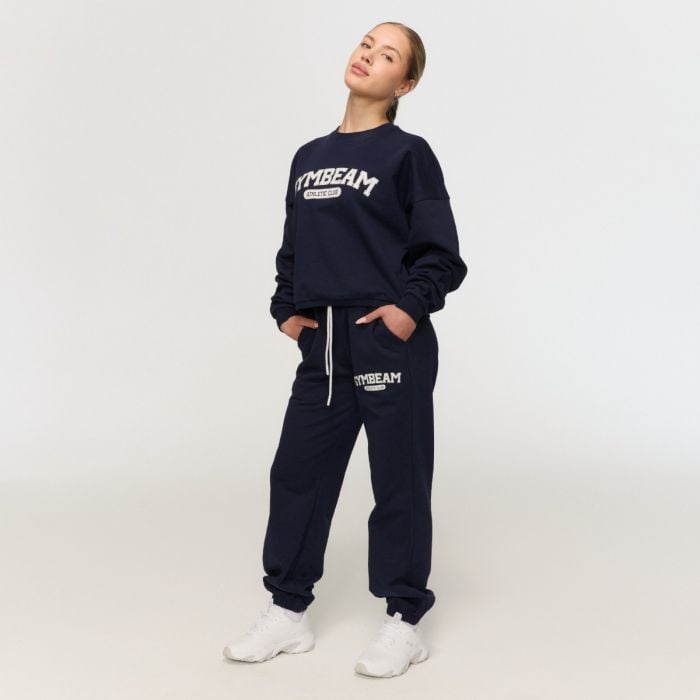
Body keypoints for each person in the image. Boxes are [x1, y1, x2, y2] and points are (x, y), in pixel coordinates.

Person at [223, 21, 467, 678]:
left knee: (398, 480)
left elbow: (441, 254)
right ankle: (288, 612)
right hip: (323, 344)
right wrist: (286, 310)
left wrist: (406, 312)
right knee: (297, 474)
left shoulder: (408, 154)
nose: (368, 56)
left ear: (404, 84)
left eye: (387, 55)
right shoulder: (308, 156)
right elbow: (293, 247)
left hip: (387, 340)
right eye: (366, 44)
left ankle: (404, 620)